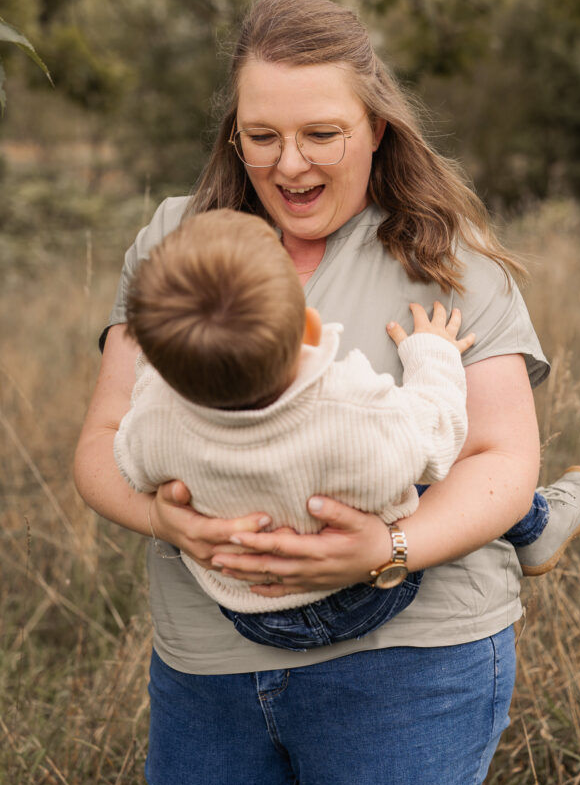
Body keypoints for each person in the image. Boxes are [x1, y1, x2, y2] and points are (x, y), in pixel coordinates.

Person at [74, 0, 580, 785]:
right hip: (209, 666)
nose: (289, 165)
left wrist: (383, 549)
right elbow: (104, 443)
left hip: (408, 665)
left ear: (376, 127)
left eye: (322, 134)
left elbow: (502, 455)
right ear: (232, 134)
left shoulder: (441, 253)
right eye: (261, 136)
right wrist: (163, 517)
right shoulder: (181, 247)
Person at [114, 206, 475, 651]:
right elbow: (437, 442)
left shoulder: (156, 418)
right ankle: (532, 519)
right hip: (360, 593)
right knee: (437, 486)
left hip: (245, 606)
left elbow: (131, 466)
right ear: (310, 325)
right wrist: (432, 353)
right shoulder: (351, 401)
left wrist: (155, 373)